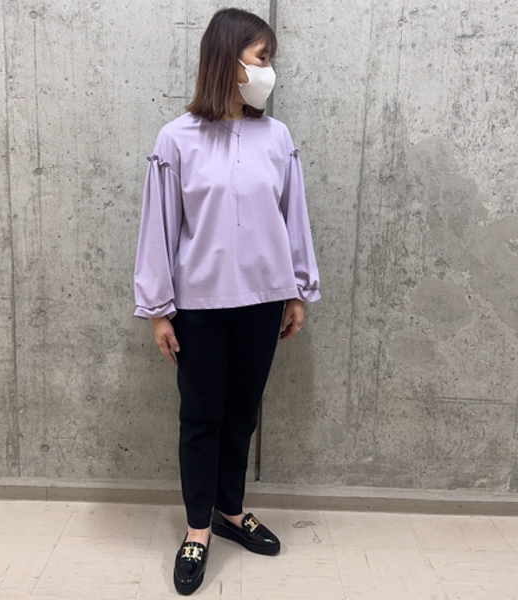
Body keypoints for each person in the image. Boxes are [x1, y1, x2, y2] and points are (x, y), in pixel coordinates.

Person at [133, 7, 320, 595]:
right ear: (229, 59)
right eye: (262, 58)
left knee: (242, 414)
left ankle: (231, 512)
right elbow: (159, 227)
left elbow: (293, 217)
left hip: (264, 302)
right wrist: (159, 309)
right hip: (200, 306)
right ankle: (198, 527)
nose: (268, 70)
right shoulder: (177, 138)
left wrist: (297, 289)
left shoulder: (277, 137)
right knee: (201, 418)